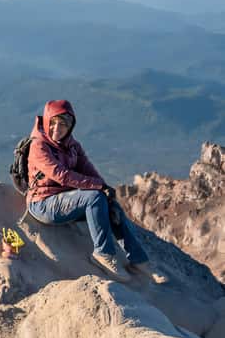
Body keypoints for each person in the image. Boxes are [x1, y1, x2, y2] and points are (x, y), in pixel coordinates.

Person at [26, 99, 168, 284]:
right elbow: (62, 176)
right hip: (43, 204)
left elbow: (87, 168)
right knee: (94, 197)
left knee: (110, 205)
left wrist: (104, 187)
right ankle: (103, 254)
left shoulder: (72, 145)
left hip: (65, 200)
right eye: (53, 123)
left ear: (70, 126)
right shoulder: (39, 146)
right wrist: (97, 187)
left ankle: (139, 261)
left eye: (63, 124)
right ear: (46, 121)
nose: (57, 129)